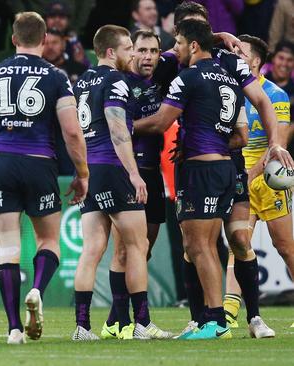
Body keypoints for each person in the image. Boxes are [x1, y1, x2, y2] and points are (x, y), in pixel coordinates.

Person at [0, 12, 89, 344]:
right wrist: (82, 173)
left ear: (13, 40)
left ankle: (14, 328)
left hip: (0, 162)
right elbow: (72, 131)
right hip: (39, 162)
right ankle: (37, 291)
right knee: (49, 242)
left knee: (8, 249)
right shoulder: (56, 76)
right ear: (45, 40)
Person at [135, 19, 245, 340]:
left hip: (201, 171)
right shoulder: (227, 77)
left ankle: (214, 321)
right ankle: (213, 320)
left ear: (194, 46)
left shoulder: (188, 77)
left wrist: (123, 126)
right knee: (204, 245)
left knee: (199, 246)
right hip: (223, 167)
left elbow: (159, 122)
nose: (176, 49)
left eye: (179, 43)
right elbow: (240, 134)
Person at [71, 25, 170, 341]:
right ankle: (142, 323)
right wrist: (133, 172)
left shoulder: (83, 81)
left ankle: (82, 327)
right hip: (114, 168)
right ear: (111, 52)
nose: (134, 54)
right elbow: (117, 130)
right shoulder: (115, 80)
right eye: (129, 48)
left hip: (91, 169)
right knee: (137, 246)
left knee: (92, 249)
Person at [100, 30, 167, 340]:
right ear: (130, 52)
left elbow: (191, 47)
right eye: (141, 50)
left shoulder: (164, 74)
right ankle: (122, 321)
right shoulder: (119, 83)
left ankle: (118, 321)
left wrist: (220, 36)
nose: (148, 56)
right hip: (127, 171)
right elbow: (114, 126)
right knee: (125, 251)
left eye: (154, 50)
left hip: (152, 173)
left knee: (144, 250)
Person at [223, 35, 291, 334]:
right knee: (239, 243)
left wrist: (254, 172)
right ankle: (229, 313)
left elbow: (280, 140)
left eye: (242, 52)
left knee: (286, 247)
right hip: (239, 176)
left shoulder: (275, 95)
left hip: (267, 181)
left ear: (256, 61)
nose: (235, 54)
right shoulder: (231, 90)